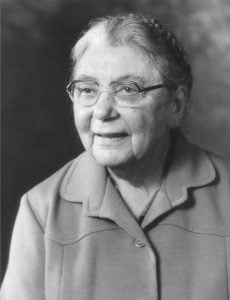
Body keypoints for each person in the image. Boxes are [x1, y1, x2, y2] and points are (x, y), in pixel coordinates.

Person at [1, 13, 230, 300]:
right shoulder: (41, 210)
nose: (102, 111)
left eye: (127, 90)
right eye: (87, 90)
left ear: (175, 104)